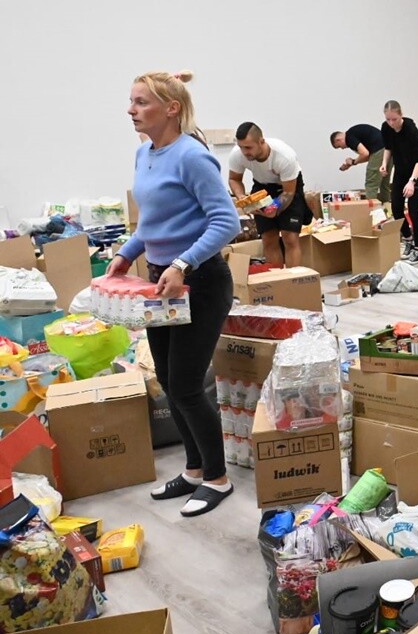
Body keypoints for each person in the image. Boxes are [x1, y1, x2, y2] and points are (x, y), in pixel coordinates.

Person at [109, 71, 241, 517]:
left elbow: (226, 222)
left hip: (199, 281)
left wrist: (183, 263)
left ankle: (218, 479)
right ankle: (194, 470)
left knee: (186, 385)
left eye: (141, 102)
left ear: (171, 108)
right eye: (131, 101)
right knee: (168, 381)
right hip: (161, 281)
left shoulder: (192, 156)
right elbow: (152, 223)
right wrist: (127, 253)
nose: (131, 110)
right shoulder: (144, 154)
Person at [228, 123, 311, 268]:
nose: (245, 152)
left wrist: (275, 207)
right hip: (262, 185)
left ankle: (292, 279)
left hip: (288, 186)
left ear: (261, 141)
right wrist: (241, 196)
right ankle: (276, 278)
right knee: (268, 238)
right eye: (241, 147)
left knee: (289, 237)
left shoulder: (284, 156)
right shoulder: (237, 154)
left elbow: (288, 192)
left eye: (248, 147)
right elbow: (234, 179)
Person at [380, 100, 418, 262]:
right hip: (400, 170)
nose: (391, 123)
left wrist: (412, 182)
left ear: (401, 115)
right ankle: (408, 238)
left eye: (394, 119)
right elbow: (388, 148)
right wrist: (384, 164)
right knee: (396, 208)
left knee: (413, 210)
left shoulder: (410, 130)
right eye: (388, 119)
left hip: (416, 171)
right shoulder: (386, 128)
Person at [330, 124, 391, 204]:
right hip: (389, 149)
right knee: (384, 182)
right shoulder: (354, 133)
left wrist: (353, 162)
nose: (342, 148)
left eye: (339, 146)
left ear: (338, 140)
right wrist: (352, 162)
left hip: (379, 150)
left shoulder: (349, 137)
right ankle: (387, 206)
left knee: (371, 183)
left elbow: (365, 153)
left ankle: (371, 209)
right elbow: (368, 156)